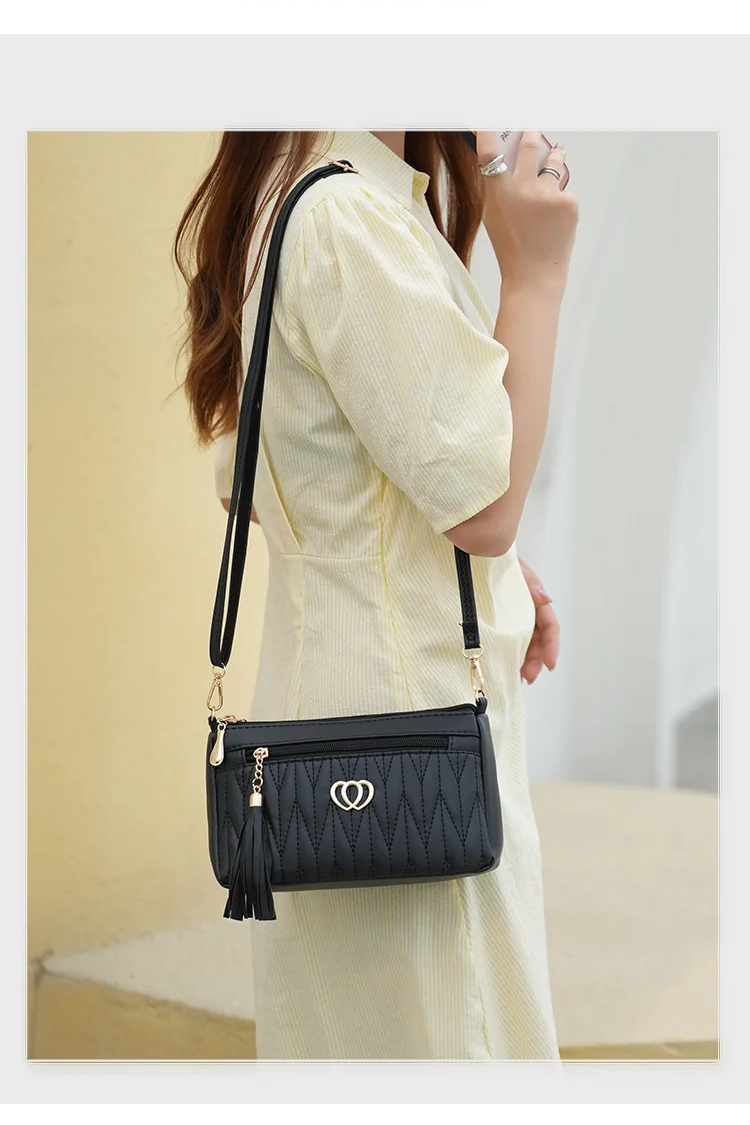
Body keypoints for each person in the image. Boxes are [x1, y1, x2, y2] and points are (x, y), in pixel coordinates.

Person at [176, 130, 578, 1060]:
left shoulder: (294, 194)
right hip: (409, 752)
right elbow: (485, 507)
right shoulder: (352, 217)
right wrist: (537, 274)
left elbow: (281, 483)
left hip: (326, 735)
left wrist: (493, 579)